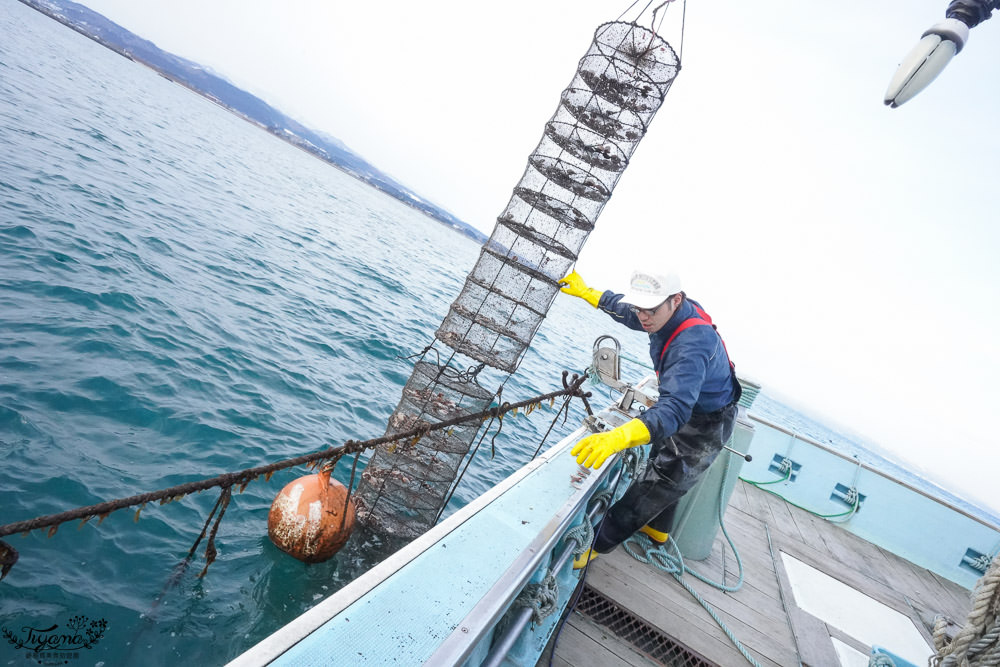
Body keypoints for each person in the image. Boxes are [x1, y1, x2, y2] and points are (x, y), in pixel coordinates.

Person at [559, 269, 741, 568]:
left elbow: (675, 410)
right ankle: (657, 529)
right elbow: (627, 312)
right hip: (688, 402)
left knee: (660, 482)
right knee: (663, 456)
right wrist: (586, 292)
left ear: (676, 300)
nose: (643, 317)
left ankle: (595, 544)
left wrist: (618, 437)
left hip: (709, 420)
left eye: (650, 310)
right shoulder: (664, 312)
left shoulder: (692, 344)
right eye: (639, 307)